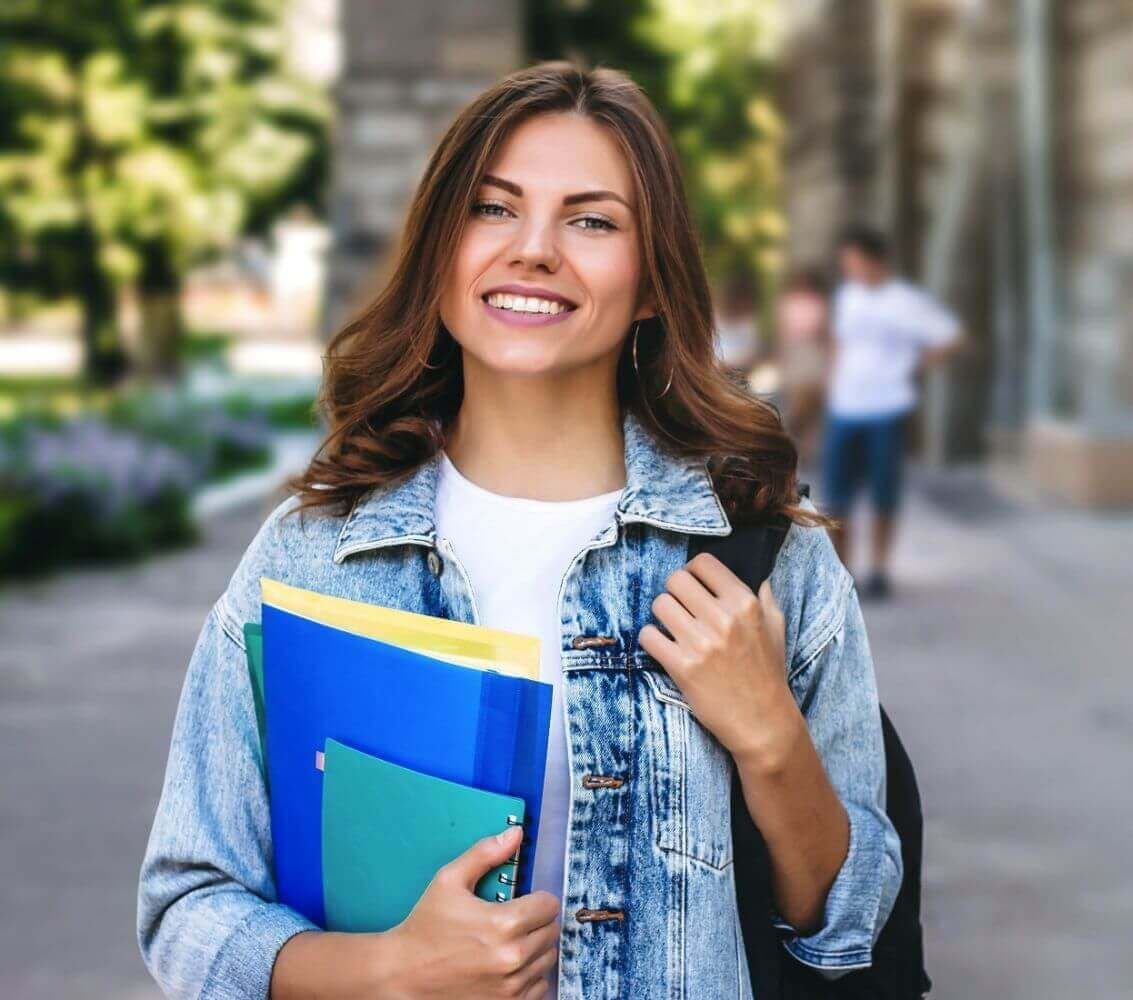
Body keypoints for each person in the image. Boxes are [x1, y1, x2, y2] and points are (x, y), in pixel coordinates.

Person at [136, 63, 901, 1000]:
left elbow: (850, 926)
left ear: (653, 282)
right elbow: (188, 907)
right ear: (441, 253)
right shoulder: (315, 555)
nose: (534, 250)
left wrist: (772, 742)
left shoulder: (768, 565)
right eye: (493, 209)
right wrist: (387, 970)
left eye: (592, 220)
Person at [822, 226, 967, 601]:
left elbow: (952, 337)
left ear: (874, 260)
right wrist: (832, 380)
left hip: (886, 407)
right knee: (836, 495)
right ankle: (842, 571)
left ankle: (880, 569)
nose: (848, 268)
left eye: (853, 260)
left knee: (883, 494)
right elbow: (839, 341)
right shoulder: (848, 296)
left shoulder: (905, 300)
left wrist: (913, 367)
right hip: (845, 407)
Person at [775, 267, 832, 461]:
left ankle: (807, 449)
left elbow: (825, 333)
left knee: (814, 402)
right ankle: (787, 440)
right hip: (796, 354)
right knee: (798, 403)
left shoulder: (820, 304)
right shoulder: (787, 304)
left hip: (814, 354)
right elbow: (783, 333)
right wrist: (783, 359)